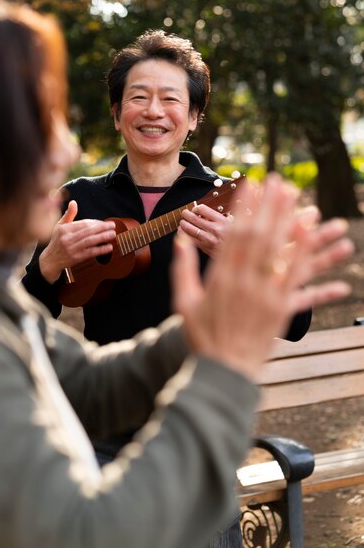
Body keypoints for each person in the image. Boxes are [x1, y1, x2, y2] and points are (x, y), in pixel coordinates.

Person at [0, 0, 354, 548]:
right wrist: (223, 374)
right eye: (42, 119)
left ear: (193, 119)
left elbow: (90, 382)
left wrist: (222, 322)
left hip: (169, 439)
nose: (66, 147)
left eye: (170, 100)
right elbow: (87, 532)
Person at [22, 30, 313, 545]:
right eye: (138, 96)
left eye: (170, 98)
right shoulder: (77, 199)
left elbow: (296, 323)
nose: (153, 110)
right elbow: (22, 317)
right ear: (117, 114)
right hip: (104, 424)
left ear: (194, 117)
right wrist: (49, 263)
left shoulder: (230, 199)